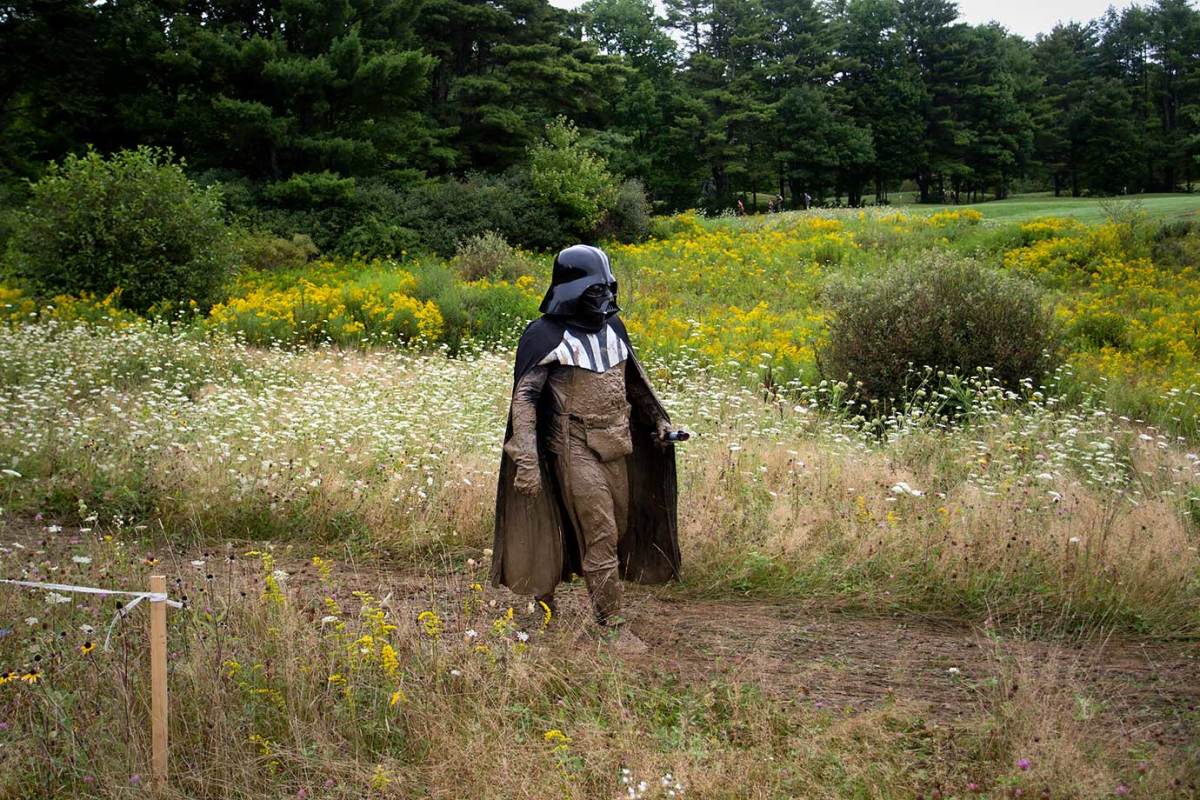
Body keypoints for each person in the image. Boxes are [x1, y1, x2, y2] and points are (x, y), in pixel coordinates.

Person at [491, 245, 681, 646]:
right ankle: (610, 626)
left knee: (616, 528)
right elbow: (524, 398)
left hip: (616, 444)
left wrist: (660, 422)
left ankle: (548, 606)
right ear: (574, 290)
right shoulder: (544, 335)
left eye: (609, 288)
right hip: (572, 446)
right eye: (597, 291)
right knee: (599, 532)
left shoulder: (614, 329)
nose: (607, 298)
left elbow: (633, 383)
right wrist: (524, 456)